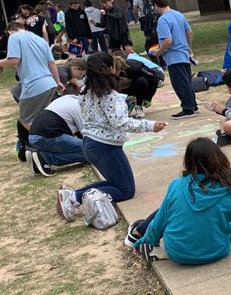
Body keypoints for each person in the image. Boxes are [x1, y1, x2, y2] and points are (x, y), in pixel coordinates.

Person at [56, 52, 165, 220]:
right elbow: (120, 122)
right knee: (126, 190)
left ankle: (73, 195)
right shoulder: (108, 95)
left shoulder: (86, 90)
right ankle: (75, 198)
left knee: (118, 184)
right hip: (105, 146)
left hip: (91, 144)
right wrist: (150, 125)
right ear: (111, 68)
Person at [0, 18, 63, 162]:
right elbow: (51, 62)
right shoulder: (39, 39)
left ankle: (48, 147)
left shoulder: (14, 37)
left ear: (9, 31)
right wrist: (57, 82)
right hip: (49, 83)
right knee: (42, 118)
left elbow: (14, 60)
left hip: (34, 85)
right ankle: (56, 143)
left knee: (25, 119)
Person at [151, 0, 197, 118]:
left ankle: (188, 108)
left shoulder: (163, 20)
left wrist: (159, 52)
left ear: (155, 5)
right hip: (184, 54)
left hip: (173, 56)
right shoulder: (178, 14)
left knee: (180, 83)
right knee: (186, 81)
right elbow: (189, 32)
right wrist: (189, 47)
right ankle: (193, 105)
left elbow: (167, 40)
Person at [28, 80, 87, 176]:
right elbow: (85, 133)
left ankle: (39, 156)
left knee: (86, 149)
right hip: (48, 136)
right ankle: (46, 157)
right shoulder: (76, 104)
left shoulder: (59, 101)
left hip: (33, 136)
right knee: (91, 151)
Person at [203, 68, 231, 143]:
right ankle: (225, 136)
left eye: (227, 86)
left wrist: (223, 110)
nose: (228, 89)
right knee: (223, 118)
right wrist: (217, 109)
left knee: (227, 125)